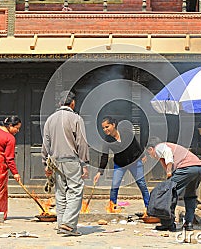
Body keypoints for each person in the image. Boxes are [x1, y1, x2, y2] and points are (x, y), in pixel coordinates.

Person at [41, 90, 89, 236]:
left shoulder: (50, 119)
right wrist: (85, 163)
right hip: (71, 160)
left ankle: (61, 224)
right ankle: (68, 224)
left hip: (55, 161)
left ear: (59, 103)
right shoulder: (76, 119)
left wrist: (45, 163)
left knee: (60, 193)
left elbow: (46, 143)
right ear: (73, 103)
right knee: (75, 191)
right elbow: (82, 142)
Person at [145, 137, 201, 232]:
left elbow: (168, 155)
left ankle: (168, 223)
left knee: (169, 194)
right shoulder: (170, 147)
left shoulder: (160, 147)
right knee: (190, 196)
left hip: (186, 168)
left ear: (150, 149)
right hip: (199, 168)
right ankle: (189, 223)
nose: (151, 155)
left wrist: (168, 172)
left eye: (149, 153)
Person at [93, 116, 150, 209]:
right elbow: (105, 156)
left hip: (134, 161)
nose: (105, 129)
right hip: (120, 164)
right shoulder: (107, 140)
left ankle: (149, 207)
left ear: (113, 125)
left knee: (142, 184)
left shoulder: (126, 133)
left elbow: (136, 144)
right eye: (103, 128)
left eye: (107, 127)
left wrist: (142, 155)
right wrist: (100, 172)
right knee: (115, 185)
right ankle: (112, 207)